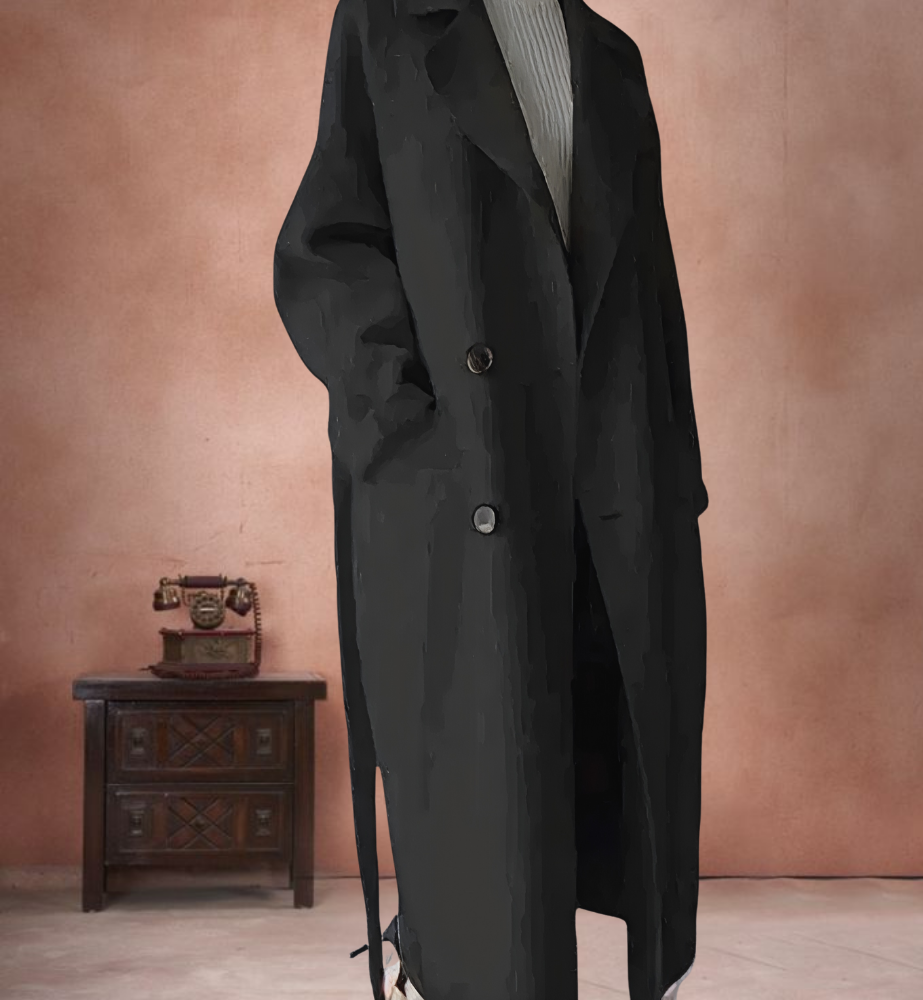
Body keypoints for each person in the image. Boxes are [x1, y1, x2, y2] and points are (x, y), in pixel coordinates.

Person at [273, 0, 710, 997]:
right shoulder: (390, 21)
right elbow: (326, 242)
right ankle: (437, 956)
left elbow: (650, 285)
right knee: (488, 805)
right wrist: (406, 425)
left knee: (607, 763)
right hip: (469, 469)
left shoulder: (610, 56)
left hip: (608, 473)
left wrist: (671, 468)